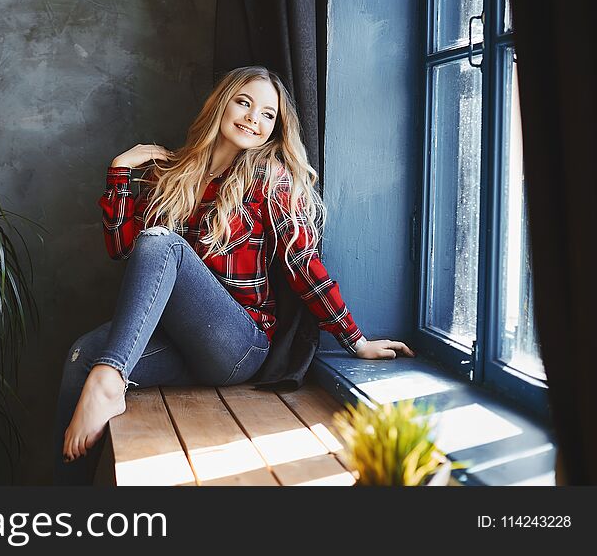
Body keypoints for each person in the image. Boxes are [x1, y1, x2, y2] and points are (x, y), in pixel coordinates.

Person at [52, 65, 414, 485]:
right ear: (221, 104)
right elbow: (122, 250)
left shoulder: (269, 178)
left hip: (237, 345)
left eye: (267, 114)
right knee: (82, 356)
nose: (252, 119)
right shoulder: (174, 172)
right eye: (244, 102)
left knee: (161, 243)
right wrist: (119, 171)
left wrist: (356, 341)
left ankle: (110, 380)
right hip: (177, 343)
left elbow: (303, 266)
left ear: (276, 128)